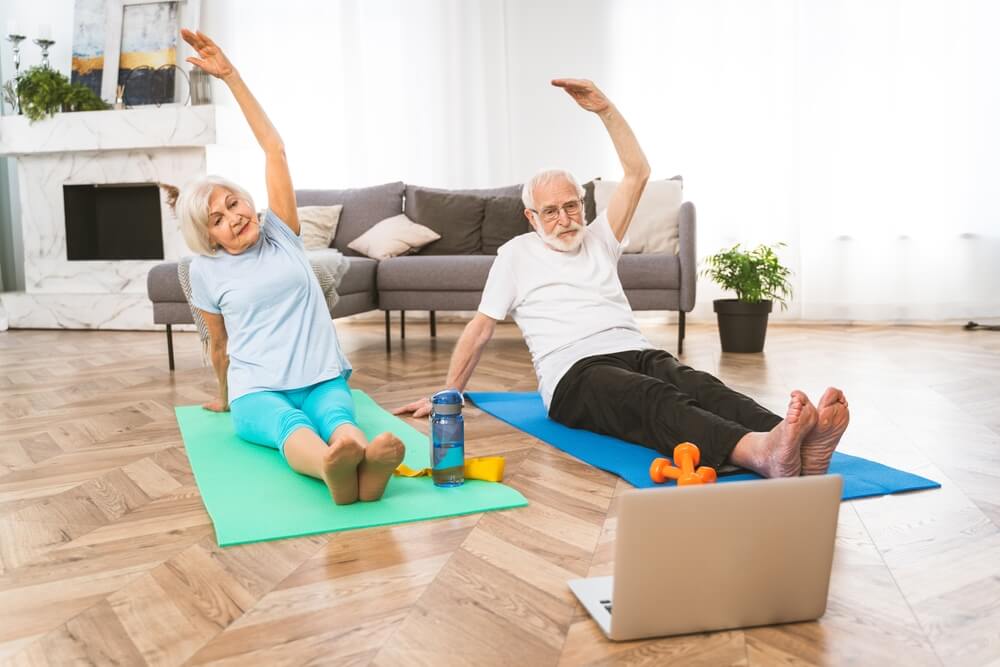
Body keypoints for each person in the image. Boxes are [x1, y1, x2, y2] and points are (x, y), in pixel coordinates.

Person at [395, 79, 850, 478]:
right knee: (653, 398)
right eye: (550, 212)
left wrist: (605, 111)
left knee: (698, 385)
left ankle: (794, 438)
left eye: (571, 205)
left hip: (635, 350)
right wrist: (448, 393)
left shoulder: (600, 238)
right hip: (574, 373)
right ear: (531, 217)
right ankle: (760, 454)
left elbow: (637, 173)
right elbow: (481, 327)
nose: (564, 218)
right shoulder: (515, 254)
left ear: (583, 204)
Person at [175, 29, 403, 505]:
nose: (234, 217)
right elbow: (218, 344)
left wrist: (231, 77)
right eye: (217, 219)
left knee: (340, 417)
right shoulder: (204, 271)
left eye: (234, 203)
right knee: (290, 426)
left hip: (320, 376)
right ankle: (332, 469)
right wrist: (223, 395)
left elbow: (274, 148)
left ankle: (365, 464)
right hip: (257, 390)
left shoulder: (281, 233)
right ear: (208, 235)